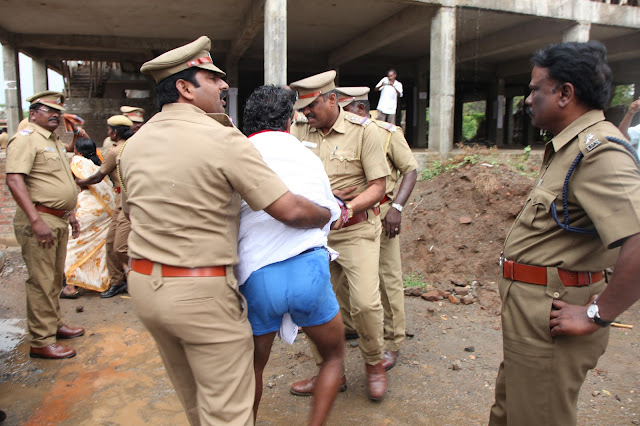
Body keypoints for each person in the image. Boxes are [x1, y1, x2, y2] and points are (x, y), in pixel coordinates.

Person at [118, 36, 331, 425]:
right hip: (199, 294)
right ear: (185, 88)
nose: (223, 85)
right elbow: (287, 209)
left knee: (196, 400)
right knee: (230, 411)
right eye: (213, 78)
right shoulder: (220, 137)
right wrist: (325, 213)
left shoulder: (136, 143)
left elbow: (132, 213)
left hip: (146, 287)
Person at [488, 41, 640, 426]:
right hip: (533, 316)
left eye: (536, 89)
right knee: (510, 413)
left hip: (553, 319)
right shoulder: (569, 147)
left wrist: (596, 314)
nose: (528, 99)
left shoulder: (598, 151)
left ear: (565, 94)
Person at [237, 85, 345, 425]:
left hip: (258, 276)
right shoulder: (307, 155)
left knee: (252, 368)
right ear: (288, 122)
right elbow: (331, 214)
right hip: (308, 270)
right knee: (333, 357)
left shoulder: (238, 154)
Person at [289, 71, 391, 401]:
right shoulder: (299, 129)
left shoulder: (364, 132)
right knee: (312, 303)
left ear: (332, 100)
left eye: (312, 106)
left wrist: (346, 207)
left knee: (364, 303)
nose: (306, 113)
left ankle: (374, 363)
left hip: (356, 229)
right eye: (302, 108)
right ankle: (329, 371)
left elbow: (378, 187)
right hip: (313, 234)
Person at [337, 86, 418, 371]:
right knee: (343, 278)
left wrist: (397, 208)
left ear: (359, 108)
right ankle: (350, 326)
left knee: (386, 277)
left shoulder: (386, 133)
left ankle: (391, 340)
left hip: (381, 214)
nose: (340, 117)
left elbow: (410, 170)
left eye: (344, 110)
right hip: (346, 218)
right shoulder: (339, 135)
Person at [5, 90, 85, 359]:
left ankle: (54, 325)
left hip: (57, 218)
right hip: (40, 218)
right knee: (41, 281)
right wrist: (36, 220)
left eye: (58, 112)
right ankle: (41, 340)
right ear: (33, 113)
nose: (55, 116)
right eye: (49, 111)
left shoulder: (52, 140)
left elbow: (59, 180)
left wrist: (70, 213)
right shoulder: (26, 139)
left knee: (53, 279)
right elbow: (14, 179)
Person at [75, 115, 134, 298]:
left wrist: (79, 181)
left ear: (114, 132)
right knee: (110, 243)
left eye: (109, 130)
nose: (108, 133)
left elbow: (98, 177)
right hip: (121, 200)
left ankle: (139, 276)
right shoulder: (133, 146)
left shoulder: (115, 151)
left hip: (125, 201)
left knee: (120, 246)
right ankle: (117, 281)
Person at [62, 137, 117, 298]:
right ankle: (99, 280)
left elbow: (79, 181)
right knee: (97, 245)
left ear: (78, 151)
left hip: (88, 208)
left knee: (73, 243)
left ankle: (70, 286)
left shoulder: (78, 162)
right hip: (104, 211)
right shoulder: (98, 165)